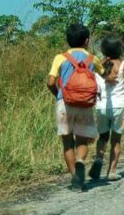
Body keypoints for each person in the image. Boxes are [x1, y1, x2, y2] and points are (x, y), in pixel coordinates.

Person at [47, 23, 105, 190]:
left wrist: (59, 95)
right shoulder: (92, 59)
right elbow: (105, 74)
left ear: (68, 40)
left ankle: (75, 178)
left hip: (64, 103)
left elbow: (50, 82)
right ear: (87, 40)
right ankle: (80, 161)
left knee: (67, 142)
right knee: (82, 139)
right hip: (85, 104)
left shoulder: (60, 57)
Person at [88, 32, 124, 181]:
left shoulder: (98, 65)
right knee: (116, 140)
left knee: (103, 137)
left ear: (103, 50)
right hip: (119, 106)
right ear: (120, 49)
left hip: (101, 106)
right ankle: (112, 170)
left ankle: (99, 158)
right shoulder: (123, 64)